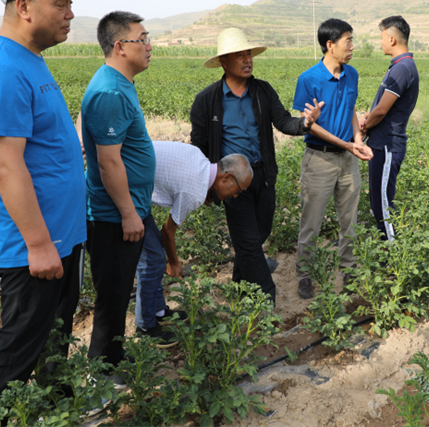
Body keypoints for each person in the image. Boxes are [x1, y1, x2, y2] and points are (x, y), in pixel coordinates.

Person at [0, 0, 98, 427]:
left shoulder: (27, 59)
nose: (71, 13)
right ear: (24, 5)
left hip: (60, 237)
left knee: (54, 338)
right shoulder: (2, 68)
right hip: (33, 249)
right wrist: (38, 245)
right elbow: (6, 163)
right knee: (15, 350)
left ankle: (59, 411)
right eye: (61, 2)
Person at [190, 28, 323, 306]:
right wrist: (206, 185)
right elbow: (199, 146)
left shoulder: (262, 91)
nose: (247, 59)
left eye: (248, 53)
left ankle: (238, 285)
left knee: (259, 234)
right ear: (224, 62)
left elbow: (284, 121)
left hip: (262, 176)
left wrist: (305, 124)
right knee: (250, 243)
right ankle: (266, 298)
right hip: (231, 182)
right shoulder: (207, 100)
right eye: (240, 54)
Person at [81, 11, 154, 385]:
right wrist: (128, 214)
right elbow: (109, 163)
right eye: (142, 38)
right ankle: (101, 374)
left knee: (120, 290)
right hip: (113, 217)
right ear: (120, 46)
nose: (149, 46)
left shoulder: (120, 83)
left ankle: (114, 357)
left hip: (126, 211)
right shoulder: (110, 91)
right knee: (111, 296)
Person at [135, 143, 253, 345]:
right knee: (153, 262)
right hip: (124, 191)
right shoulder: (195, 191)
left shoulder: (199, 157)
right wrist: (174, 262)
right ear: (226, 178)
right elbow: (168, 230)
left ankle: (159, 311)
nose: (235, 196)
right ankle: (145, 326)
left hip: (134, 184)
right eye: (238, 190)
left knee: (155, 256)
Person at [292, 18, 372, 300]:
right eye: (347, 41)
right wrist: (348, 145)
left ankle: (348, 271)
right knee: (311, 222)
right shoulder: (309, 78)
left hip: (348, 160)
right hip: (319, 160)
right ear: (330, 45)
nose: (352, 46)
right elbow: (308, 124)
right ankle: (304, 274)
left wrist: (358, 141)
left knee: (349, 221)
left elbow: (351, 109)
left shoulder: (352, 74)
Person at [360, 16, 420, 241]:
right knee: (378, 202)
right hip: (382, 143)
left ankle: (395, 258)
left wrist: (365, 124)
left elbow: (382, 110)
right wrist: (369, 117)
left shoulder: (402, 68)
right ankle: (388, 251)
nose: (381, 42)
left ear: (392, 39)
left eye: (382, 37)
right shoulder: (399, 66)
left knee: (384, 205)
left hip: (387, 145)